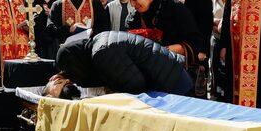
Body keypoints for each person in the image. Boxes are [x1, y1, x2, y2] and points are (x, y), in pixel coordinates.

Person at [123, 0, 205, 94]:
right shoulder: (133, 17)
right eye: (130, 0)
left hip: (174, 77)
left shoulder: (175, 9)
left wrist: (163, 50)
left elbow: (195, 43)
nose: (132, 5)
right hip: (145, 80)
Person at [53, 31, 193, 96]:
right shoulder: (98, 43)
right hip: (171, 76)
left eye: (71, 71)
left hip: (172, 83)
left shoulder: (102, 52)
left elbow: (134, 85)